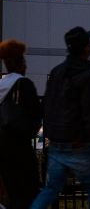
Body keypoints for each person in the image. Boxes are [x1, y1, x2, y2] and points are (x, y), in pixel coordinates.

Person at [30, 27, 90, 209]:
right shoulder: (88, 76)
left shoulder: (57, 72)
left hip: (56, 144)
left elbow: (47, 105)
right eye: (89, 43)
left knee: (50, 189)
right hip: (79, 144)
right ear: (85, 48)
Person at [0, 40, 42, 209]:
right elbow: (36, 114)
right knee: (28, 193)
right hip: (20, 149)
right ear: (20, 64)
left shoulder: (2, 85)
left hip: (2, 149)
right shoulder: (24, 84)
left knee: (12, 192)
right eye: (24, 61)